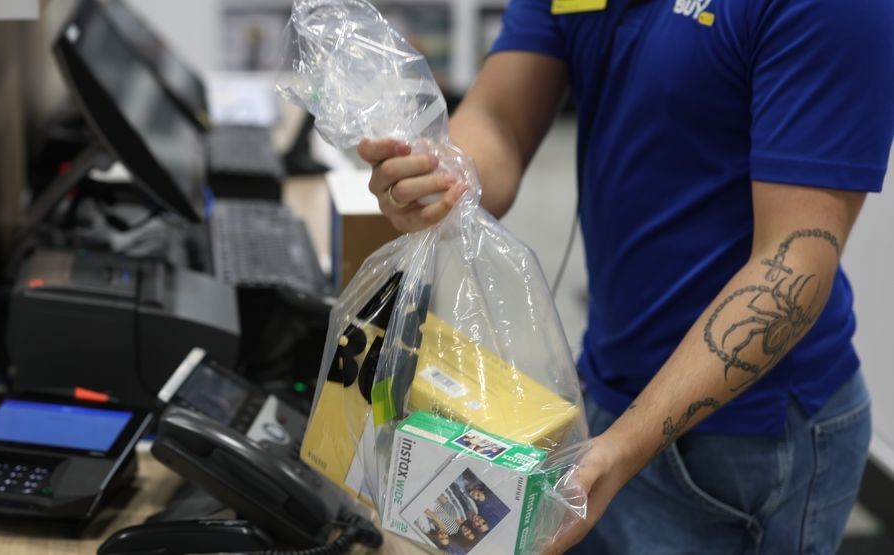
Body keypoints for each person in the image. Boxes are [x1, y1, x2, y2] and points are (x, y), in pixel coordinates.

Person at [358, 0, 894, 553]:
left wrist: (623, 448)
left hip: (748, 438)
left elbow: (794, 261)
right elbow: (500, 118)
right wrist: (443, 177)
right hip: (612, 387)